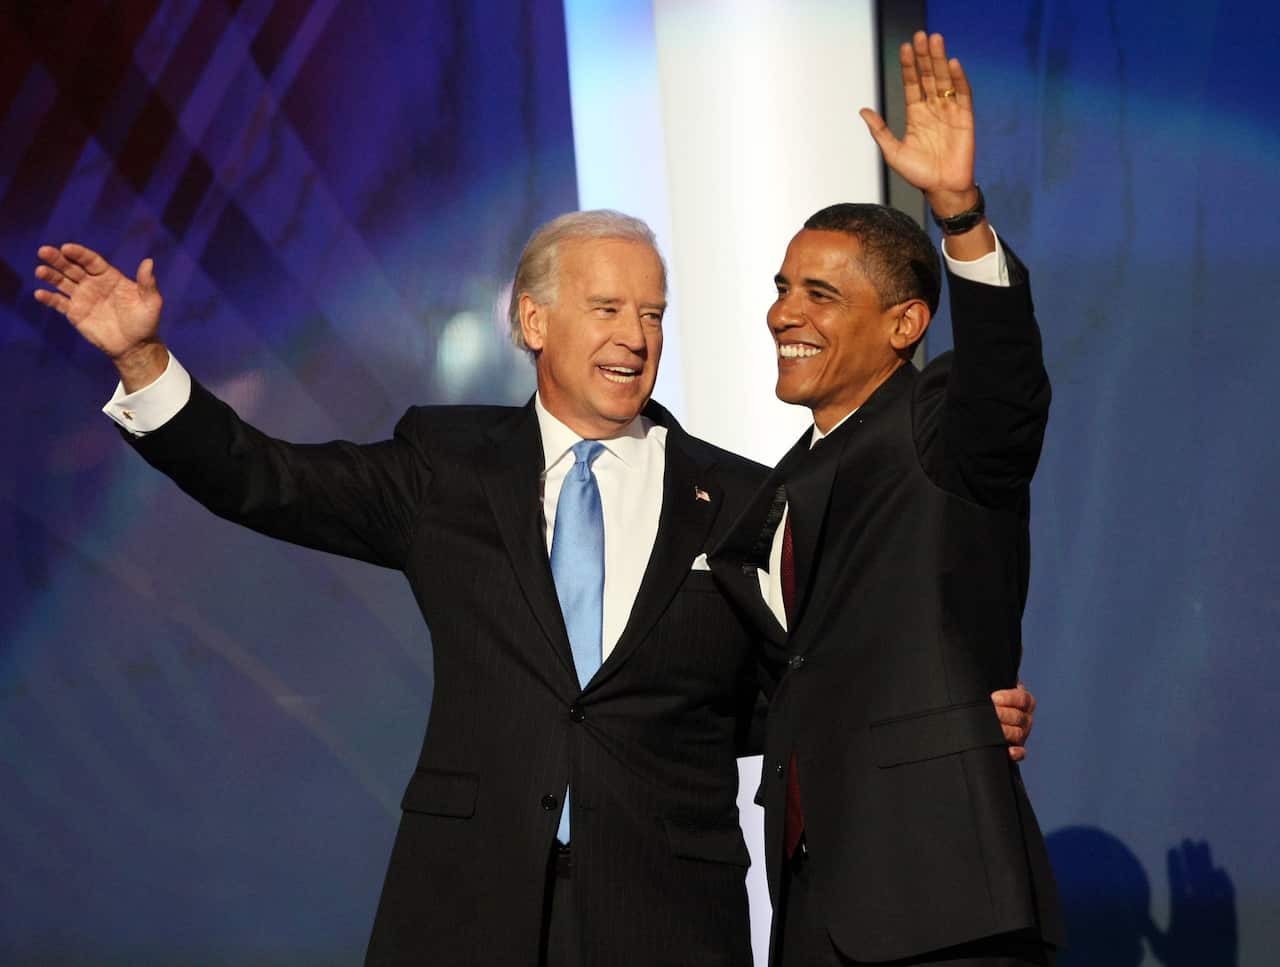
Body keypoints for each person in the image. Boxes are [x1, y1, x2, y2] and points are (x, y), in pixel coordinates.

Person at [34, 209, 1035, 962]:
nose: (635, 336)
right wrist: (145, 359)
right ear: (530, 319)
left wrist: (938, 706)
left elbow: (793, 681)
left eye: (651, 313)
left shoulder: (741, 495)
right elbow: (265, 478)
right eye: (606, 308)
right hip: (465, 900)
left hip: (664, 910)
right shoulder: (445, 465)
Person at [709, 33, 1064, 966]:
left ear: (905, 323)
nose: (785, 313)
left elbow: (1007, 387)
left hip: (941, 900)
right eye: (783, 288)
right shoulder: (773, 494)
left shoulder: (937, 420)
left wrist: (959, 214)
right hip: (812, 912)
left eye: (820, 294)